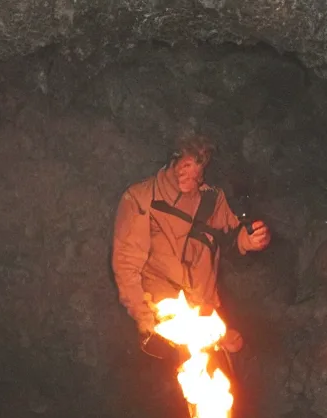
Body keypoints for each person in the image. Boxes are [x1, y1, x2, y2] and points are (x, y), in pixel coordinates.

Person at [111, 133, 271, 362]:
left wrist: (248, 242)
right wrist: (146, 322)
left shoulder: (212, 199)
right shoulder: (140, 199)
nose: (191, 173)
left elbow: (232, 239)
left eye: (199, 167)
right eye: (187, 163)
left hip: (205, 320)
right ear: (173, 160)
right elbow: (126, 265)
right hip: (164, 322)